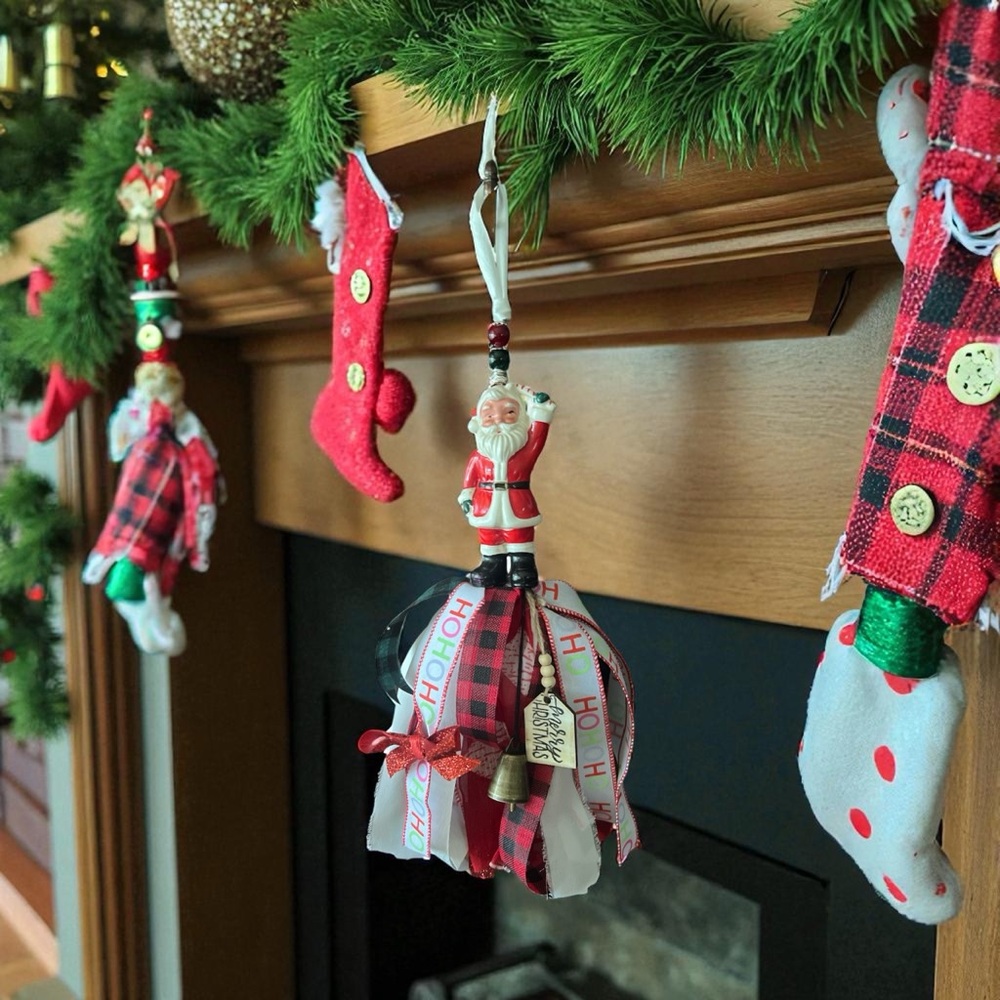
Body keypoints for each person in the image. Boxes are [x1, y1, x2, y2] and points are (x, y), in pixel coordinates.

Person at [457, 383, 556, 588]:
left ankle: (523, 566)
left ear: (521, 418)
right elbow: (469, 482)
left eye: (509, 413)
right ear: (478, 422)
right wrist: (466, 497)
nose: (498, 421)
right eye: (489, 415)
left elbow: (538, 434)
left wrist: (540, 410)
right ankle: (491, 565)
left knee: (518, 534)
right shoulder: (477, 457)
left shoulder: (525, 453)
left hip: (517, 501)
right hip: (485, 503)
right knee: (489, 535)